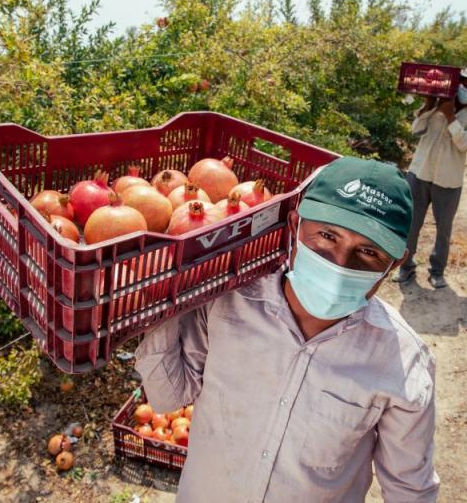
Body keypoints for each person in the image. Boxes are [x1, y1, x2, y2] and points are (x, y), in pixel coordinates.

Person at [136, 157, 440, 503]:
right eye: (327, 235)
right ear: (295, 225)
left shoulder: (401, 362)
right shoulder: (229, 299)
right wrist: (163, 292)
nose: (339, 263)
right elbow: (167, 396)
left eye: (368, 252)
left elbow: (410, 490)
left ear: (394, 263)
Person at [395, 64, 467, 288]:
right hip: (420, 173)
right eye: (465, 82)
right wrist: (429, 106)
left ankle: (437, 271)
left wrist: (450, 117)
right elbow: (416, 130)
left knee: (443, 229)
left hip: (448, 179)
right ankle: (406, 266)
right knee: (411, 223)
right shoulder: (440, 100)